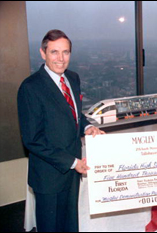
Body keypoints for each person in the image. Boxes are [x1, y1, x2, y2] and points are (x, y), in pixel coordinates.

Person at [17, 29, 105, 232]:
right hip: (49, 174)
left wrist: (88, 127)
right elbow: (32, 139)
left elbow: (74, 115)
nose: (61, 58)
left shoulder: (72, 78)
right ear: (43, 53)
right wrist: (73, 163)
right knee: (51, 227)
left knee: (70, 225)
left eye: (65, 52)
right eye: (54, 52)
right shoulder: (31, 87)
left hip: (72, 173)